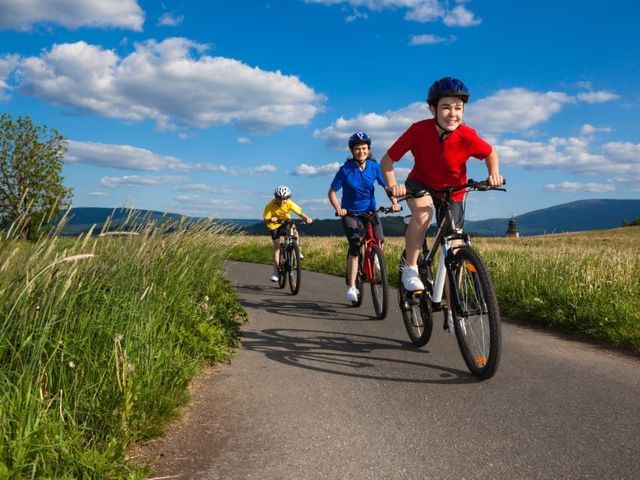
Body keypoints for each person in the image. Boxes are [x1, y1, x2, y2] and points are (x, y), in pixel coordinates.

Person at [381, 76, 503, 295]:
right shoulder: (418, 130)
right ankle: (410, 267)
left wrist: (493, 173)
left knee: (455, 246)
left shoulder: (467, 135)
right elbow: (387, 161)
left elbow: (490, 153)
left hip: (453, 191)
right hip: (421, 184)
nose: (453, 114)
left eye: (458, 108)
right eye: (446, 107)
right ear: (432, 109)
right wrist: (393, 185)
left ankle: (452, 309)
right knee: (424, 214)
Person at [328, 132, 400, 303]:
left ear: (369, 149)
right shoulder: (345, 170)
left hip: (369, 212)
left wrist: (394, 202)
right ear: (352, 151)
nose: (361, 151)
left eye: (364, 148)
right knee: (355, 245)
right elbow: (332, 192)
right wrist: (339, 209)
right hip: (350, 213)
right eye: (357, 149)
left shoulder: (374, 167)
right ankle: (352, 287)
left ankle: (375, 258)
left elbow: (386, 187)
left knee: (379, 239)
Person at [263, 185, 313, 282]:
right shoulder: (270, 205)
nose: (282, 201)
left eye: (284, 199)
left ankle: (297, 249)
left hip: (285, 221)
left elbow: (299, 213)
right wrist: (270, 219)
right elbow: (265, 219)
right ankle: (276, 272)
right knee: (277, 248)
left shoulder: (289, 203)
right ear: (276, 197)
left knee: (294, 229)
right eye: (279, 199)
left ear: (288, 198)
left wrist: (307, 218)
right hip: (274, 225)